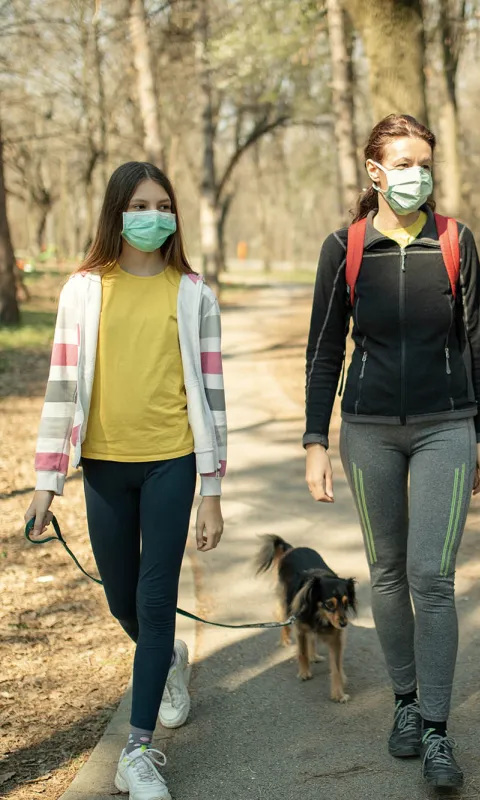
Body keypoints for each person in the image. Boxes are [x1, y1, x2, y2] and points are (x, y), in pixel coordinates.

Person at [24, 162, 227, 800]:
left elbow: (214, 396)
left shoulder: (193, 292)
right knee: (121, 599)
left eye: (163, 204)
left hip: (172, 462)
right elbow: (62, 389)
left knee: (155, 600)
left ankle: (136, 753)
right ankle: (166, 661)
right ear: (117, 212)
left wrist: (212, 489)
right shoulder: (83, 290)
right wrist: (45, 481)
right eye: (140, 204)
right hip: (104, 467)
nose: (153, 215)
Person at [303, 114, 480, 789]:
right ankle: (406, 706)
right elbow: (324, 349)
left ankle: (439, 731)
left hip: (447, 425)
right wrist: (315, 440)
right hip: (368, 431)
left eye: (424, 162)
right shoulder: (345, 247)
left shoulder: (455, 241)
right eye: (403, 163)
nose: (417, 174)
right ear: (375, 172)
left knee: (431, 577)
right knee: (385, 572)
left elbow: (474, 342)